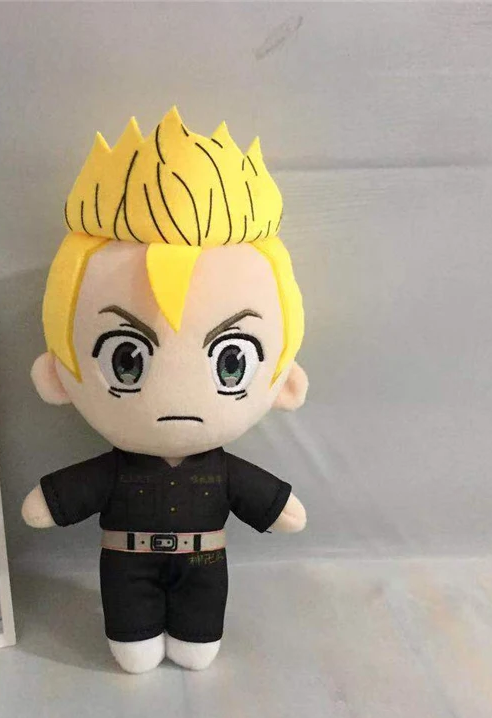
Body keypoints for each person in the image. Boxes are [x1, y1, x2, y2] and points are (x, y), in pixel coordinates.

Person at [22, 108, 308, 673]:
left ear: (285, 381)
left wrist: (280, 509)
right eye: (126, 360)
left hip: (205, 568)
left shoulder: (222, 472)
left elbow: (277, 508)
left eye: (232, 363)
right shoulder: (116, 471)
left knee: (199, 642)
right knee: (132, 646)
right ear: (57, 375)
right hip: (123, 568)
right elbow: (56, 501)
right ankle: (136, 637)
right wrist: (49, 502)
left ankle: (192, 636)